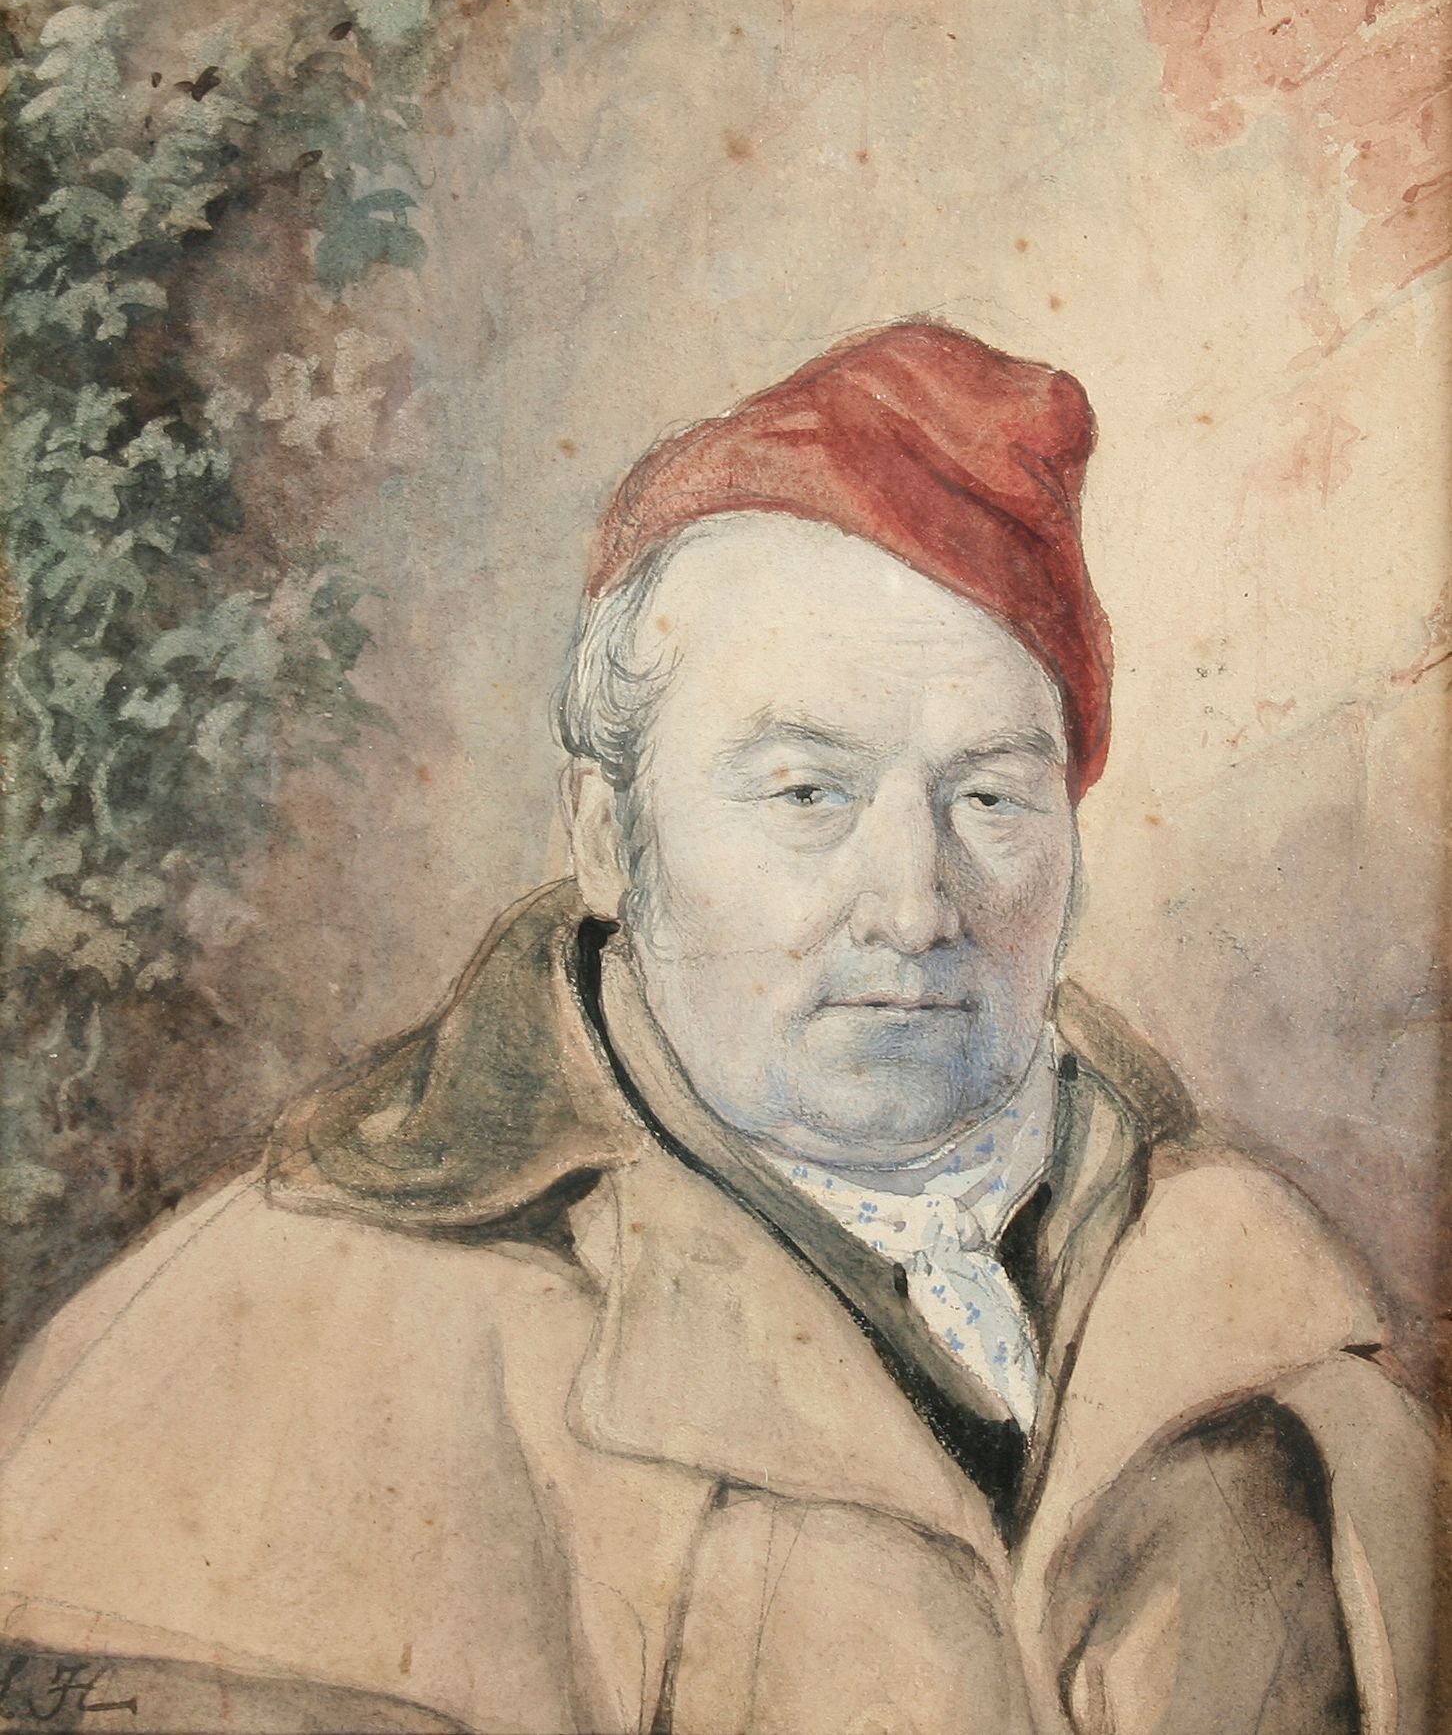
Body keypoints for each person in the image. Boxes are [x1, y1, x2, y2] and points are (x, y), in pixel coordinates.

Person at [0, 324, 1436, 1735]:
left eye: (991, 798)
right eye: (809, 793)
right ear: (606, 835)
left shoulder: (1278, 1322)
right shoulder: (270, 1346)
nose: (916, 907)